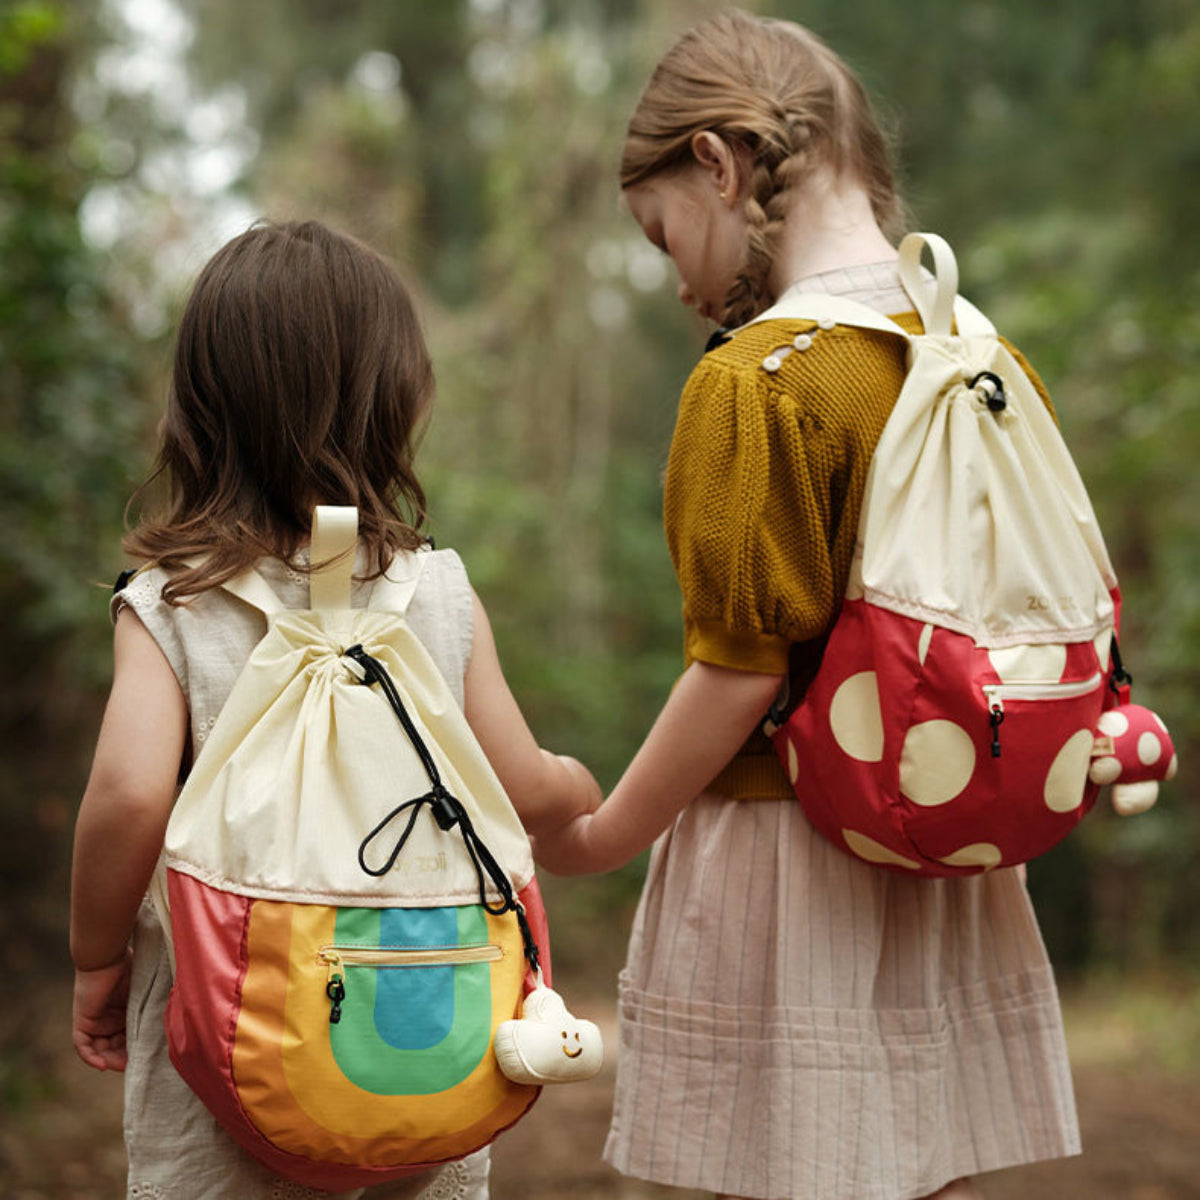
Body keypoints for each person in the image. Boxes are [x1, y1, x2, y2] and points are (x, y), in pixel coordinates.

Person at [534, 10, 1080, 1200]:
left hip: (794, 856)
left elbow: (741, 669)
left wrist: (603, 835)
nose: (679, 279)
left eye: (662, 231)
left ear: (718, 165)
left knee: (792, 1169)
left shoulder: (762, 381)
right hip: (951, 834)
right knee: (929, 1164)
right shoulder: (982, 357)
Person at [69, 219, 602, 1200]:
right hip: (427, 1025)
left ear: (200, 408)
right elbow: (523, 786)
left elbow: (129, 797)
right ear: (393, 401)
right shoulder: (437, 592)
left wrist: (95, 957)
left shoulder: (173, 604)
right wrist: (578, 784)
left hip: (238, 1028)